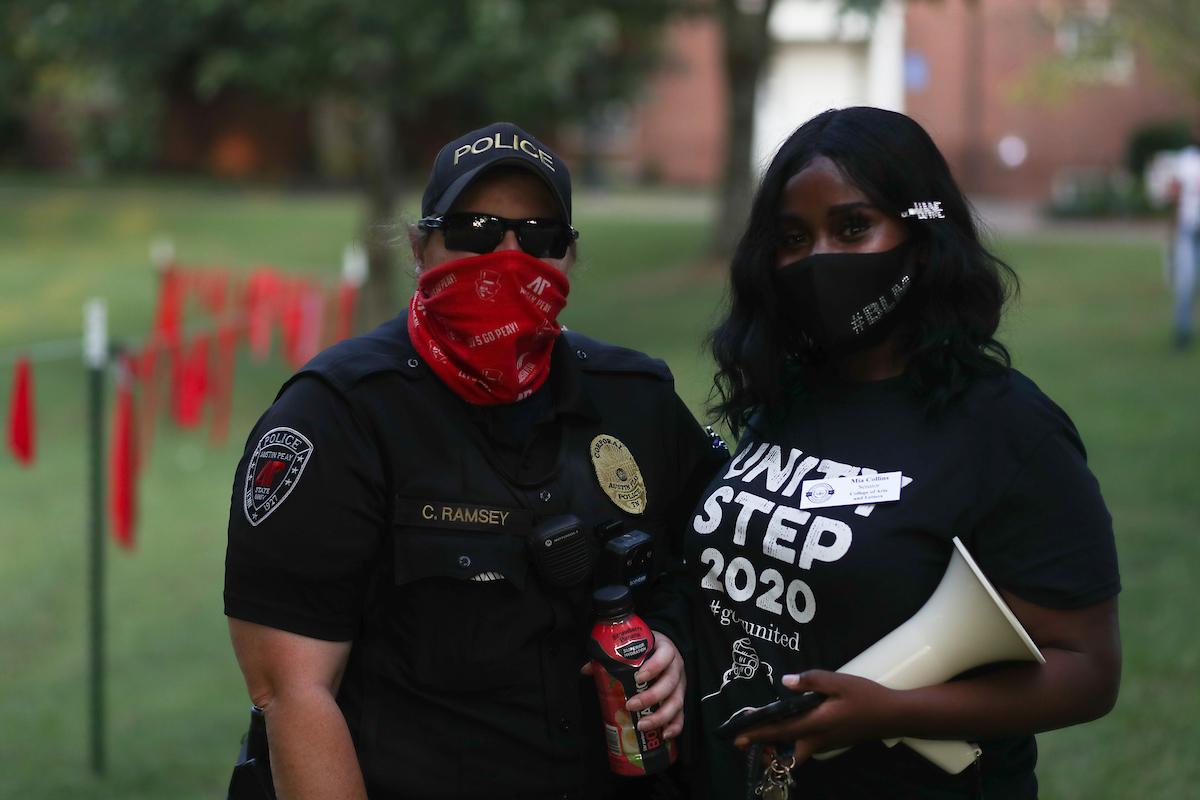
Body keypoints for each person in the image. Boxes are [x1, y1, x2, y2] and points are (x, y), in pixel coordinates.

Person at [224, 121, 725, 800]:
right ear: (419, 245)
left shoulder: (635, 401)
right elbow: (292, 693)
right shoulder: (336, 417)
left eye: (541, 236)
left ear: (569, 257)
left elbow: (719, 567)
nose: (510, 258)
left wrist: (673, 644)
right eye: (477, 231)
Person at [686, 107, 1121, 798]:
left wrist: (891, 712)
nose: (818, 257)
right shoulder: (786, 393)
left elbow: (1088, 671)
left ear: (922, 238)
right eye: (793, 238)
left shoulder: (1009, 427)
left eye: (853, 227)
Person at [1165, 136, 1200, 349]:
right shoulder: (1186, 159)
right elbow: (1174, 190)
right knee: (1185, 284)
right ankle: (1182, 332)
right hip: (1189, 230)